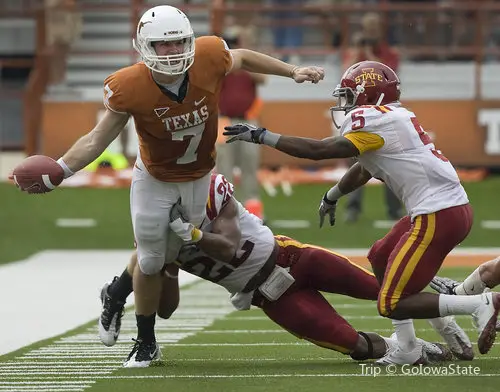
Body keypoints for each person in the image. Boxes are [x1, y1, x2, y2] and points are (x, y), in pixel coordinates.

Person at [12, 5, 325, 366]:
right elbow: (97, 139)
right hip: (156, 179)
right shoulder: (129, 86)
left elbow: (242, 57)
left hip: (199, 176)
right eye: (163, 44)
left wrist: (293, 70)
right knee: (150, 260)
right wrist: (62, 170)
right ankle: (145, 342)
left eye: (178, 42)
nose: (173, 51)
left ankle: (115, 293)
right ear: (145, 46)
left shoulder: (208, 56)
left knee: (173, 253)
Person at [222, 60, 500, 364]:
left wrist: (263, 135)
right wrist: (333, 194)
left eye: (350, 94)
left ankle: (479, 303)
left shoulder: (373, 119)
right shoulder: (393, 116)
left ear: (371, 94)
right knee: (380, 256)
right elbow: (365, 168)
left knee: (391, 303)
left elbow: (320, 150)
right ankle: (408, 346)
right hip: (443, 208)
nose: (345, 102)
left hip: (438, 214)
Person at [100, 173, 457, 368]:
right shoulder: (153, 238)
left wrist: (192, 236)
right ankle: (413, 347)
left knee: (385, 289)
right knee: (356, 347)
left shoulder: (210, 191)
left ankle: (459, 300)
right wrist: (170, 266)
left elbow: (229, 246)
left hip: (294, 260)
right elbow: (166, 309)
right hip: (268, 297)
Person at [342, 12, 402, 222]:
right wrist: (359, 50)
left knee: (391, 160)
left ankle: (394, 209)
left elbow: (387, 73)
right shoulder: (356, 52)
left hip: (384, 113)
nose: (371, 32)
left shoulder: (389, 52)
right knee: (355, 161)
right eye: (368, 27)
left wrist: (368, 52)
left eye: (374, 27)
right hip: (361, 113)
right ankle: (353, 207)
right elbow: (346, 72)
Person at [216, 29, 266, 216]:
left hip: (247, 119)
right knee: (224, 166)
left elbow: (262, 79)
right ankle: (226, 208)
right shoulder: (221, 65)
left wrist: (243, 61)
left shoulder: (247, 64)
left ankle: (252, 209)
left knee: (250, 164)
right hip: (224, 119)